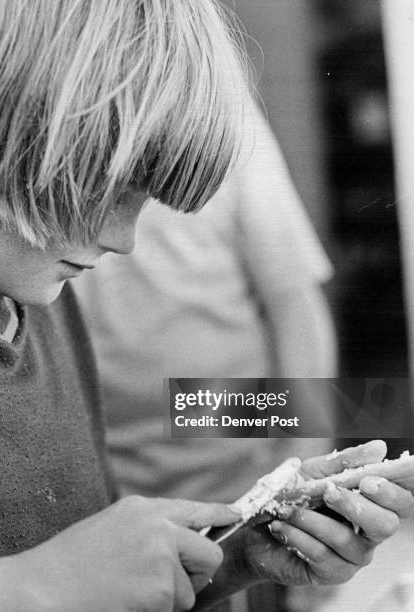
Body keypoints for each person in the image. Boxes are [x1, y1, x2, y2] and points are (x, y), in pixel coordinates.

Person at [0, 2, 411, 611]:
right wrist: (30, 586)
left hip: (208, 408)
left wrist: (231, 555)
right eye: (111, 190)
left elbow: (293, 300)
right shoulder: (31, 270)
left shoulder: (37, 291)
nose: (126, 241)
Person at [78, 97, 337, 506]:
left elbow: (293, 299)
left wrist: (299, 456)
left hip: (241, 468)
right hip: (100, 484)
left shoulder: (223, 112)